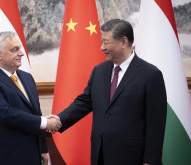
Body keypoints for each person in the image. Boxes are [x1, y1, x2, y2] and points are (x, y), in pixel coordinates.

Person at [53, 19, 167, 165]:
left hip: (131, 157)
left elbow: (156, 124)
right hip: (100, 154)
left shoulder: (150, 74)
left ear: (124, 42)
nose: (101, 48)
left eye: (106, 43)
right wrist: (58, 120)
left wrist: (150, 161)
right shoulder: (99, 71)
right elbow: (84, 102)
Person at [0, 31, 61, 165]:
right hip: (1, 157)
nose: (21, 53)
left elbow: (36, 112)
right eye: (15, 49)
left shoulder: (26, 77)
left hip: (30, 154)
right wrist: (45, 122)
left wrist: (43, 148)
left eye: (20, 48)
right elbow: (6, 114)